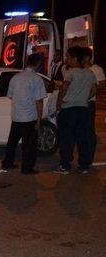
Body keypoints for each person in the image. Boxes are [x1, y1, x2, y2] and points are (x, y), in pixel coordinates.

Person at [1, 53, 47, 174]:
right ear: (37, 64)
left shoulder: (15, 78)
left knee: (12, 142)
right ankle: (27, 168)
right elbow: (39, 101)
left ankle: (7, 163)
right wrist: (39, 119)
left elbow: (11, 96)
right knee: (29, 145)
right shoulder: (36, 79)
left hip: (16, 116)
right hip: (29, 117)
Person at [54, 46, 97, 174]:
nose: (66, 59)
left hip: (69, 110)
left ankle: (65, 166)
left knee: (67, 138)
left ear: (74, 58)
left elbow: (64, 87)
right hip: (83, 109)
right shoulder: (90, 73)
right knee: (83, 138)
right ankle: (84, 166)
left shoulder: (70, 72)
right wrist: (83, 98)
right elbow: (94, 90)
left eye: (68, 56)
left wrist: (59, 103)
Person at [83, 47, 105, 165]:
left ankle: (88, 158)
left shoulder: (96, 69)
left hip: (89, 103)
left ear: (87, 57)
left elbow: (102, 85)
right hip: (79, 103)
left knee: (89, 131)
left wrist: (92, 88)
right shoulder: (79, 70)